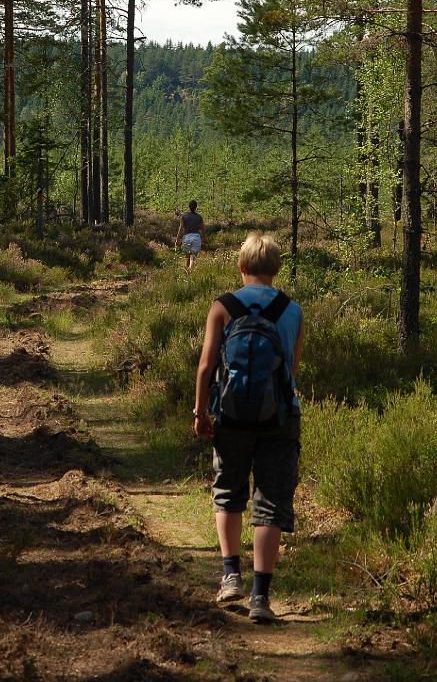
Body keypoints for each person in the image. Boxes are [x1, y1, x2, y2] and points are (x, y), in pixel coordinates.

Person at [192, 232, 304, 623]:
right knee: (271, 502)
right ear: (276, 268)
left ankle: (229, 576)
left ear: (241, 267)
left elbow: (206, 367)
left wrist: (200, 412)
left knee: (229, 490)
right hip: (279, 417)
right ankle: (261, 596)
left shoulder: (222, 306)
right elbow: (290, 370)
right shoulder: (292, 310)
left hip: (231, 414)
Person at [176, 200, 205, 270]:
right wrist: (204, 238)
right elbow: (202, 229)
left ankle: (187, 270)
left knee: (188, 256)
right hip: (196, 237)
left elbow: (180, 228)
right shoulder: (199, 217)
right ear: (196, 207)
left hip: (186, 237)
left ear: (189, 207)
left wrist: (177, 239)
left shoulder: (184, 217)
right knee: (193, 256)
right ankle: (190, 269)